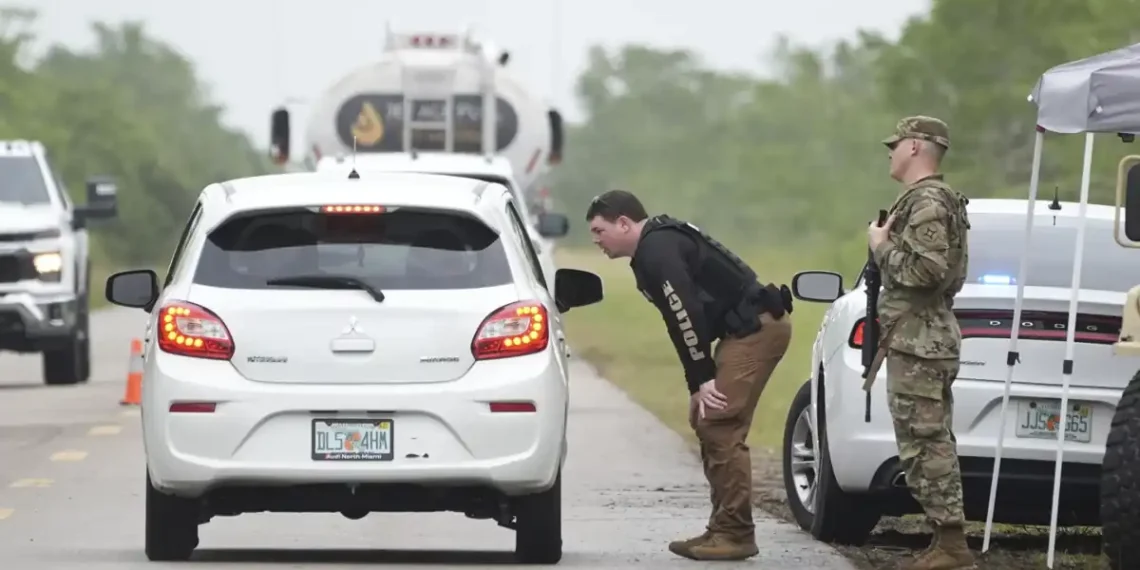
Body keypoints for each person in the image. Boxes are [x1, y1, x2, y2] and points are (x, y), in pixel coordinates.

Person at [585, 190, 794, 561]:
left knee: (719, 422)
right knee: (706, 417)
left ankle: (735, 534)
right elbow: (680, 319)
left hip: (756, 329)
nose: (595, 240)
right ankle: (722, 528)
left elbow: (685, 312)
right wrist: (697, 381)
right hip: (741, 330)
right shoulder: (654, 246)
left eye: (599, 231)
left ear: (623, 223)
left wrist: (703, 378)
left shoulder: (657, 249)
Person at [865, 116, 973, 570]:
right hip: (919, 339)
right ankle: (944, 541)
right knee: (923, 439)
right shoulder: (932, 199)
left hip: (920, 341)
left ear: (914, 147)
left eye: (895, 145)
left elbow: (928, 272)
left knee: (926, 442)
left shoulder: (927, 200)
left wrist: (880, 247)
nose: (890, 152)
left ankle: (951, 545)